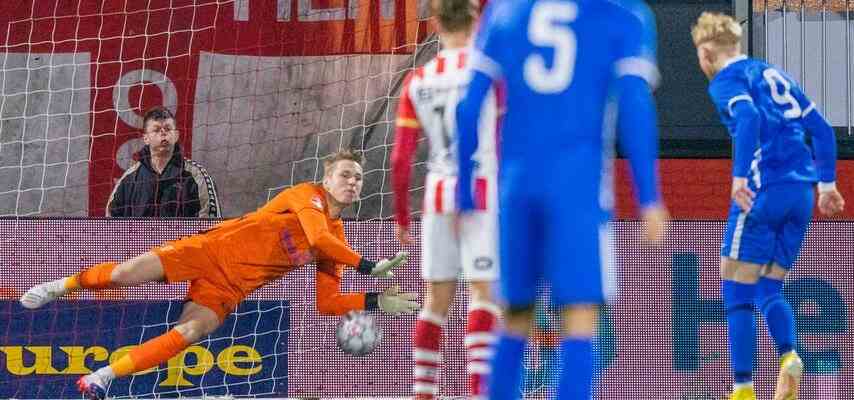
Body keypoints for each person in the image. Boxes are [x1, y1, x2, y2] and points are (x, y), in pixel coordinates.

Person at [20, 150, 420, 400]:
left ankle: (100, 378)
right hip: (209, 252)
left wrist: (374, 300)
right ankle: (62, 285)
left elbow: (326, 303)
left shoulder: (337, 241)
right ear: (327, 177)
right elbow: (315, 233)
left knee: (189, 335)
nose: (353, 182)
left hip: (230, 288)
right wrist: (367, 267)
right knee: (126, 273)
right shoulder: (306, 195)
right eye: (345, 174)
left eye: (358, 178)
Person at [455, 0, 668, 398]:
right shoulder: (623, 14)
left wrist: (463, 193)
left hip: (516, 186)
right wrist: (649, 198)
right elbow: (634, 107)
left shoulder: (505, 11)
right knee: (580, 316)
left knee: (515, 317)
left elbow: (468, 108)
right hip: (578, 187)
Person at [691, 12, 845, 400]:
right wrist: (828, 185)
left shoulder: (727, 80)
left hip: (763, 191)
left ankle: (743, 389)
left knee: (734, 288)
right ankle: (789, 355)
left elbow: (747, 116)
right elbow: (823, 130)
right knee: (769, 287)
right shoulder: (775, 74)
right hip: (801, 196)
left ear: (706, 53)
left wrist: (740, 176)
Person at [391, 0, 500, 398]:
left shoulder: (419, 79)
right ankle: (479, 391)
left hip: (437, 198)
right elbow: (506, 137)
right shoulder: (489, 73)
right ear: (475, 20)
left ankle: (424, 392)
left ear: (434, 23)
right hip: (483, 194)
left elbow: (402, 157)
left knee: (436, 301)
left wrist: (402, 216)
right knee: (483, 295)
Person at [107, 106, 221, 218]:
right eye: (156, 130)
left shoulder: (196, 176)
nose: (163, 133)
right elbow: (111, 222)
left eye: (167, 128)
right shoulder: (129, 179)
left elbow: (211, 225)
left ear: (176, 135)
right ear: (145, 138)